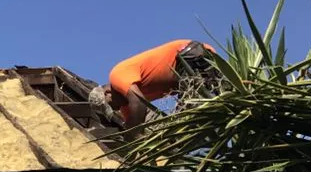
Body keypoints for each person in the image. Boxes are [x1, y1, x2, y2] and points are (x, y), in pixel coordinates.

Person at [89, 39, 217, 128]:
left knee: (190, 118)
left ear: (108, 93)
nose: (116, 109)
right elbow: (136, 123)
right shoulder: (126, 105)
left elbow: (139, 106)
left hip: (191, 55)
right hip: (184, 80)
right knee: (185, 124)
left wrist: (130, 136)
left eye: (111, 106)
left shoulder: (117, 76)